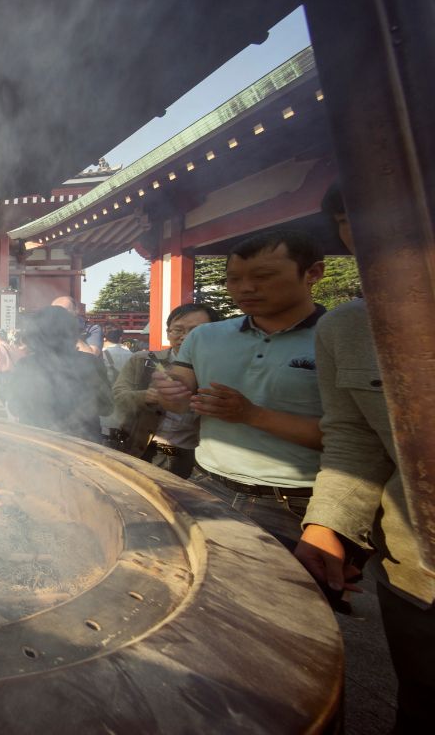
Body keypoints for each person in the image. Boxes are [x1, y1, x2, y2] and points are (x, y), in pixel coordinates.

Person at [293, 184, 434, 732]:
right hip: (416, 565)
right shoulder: (346, 327)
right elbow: (354, 436)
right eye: (354, 218)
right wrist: (331, 524)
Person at [152, 230, 326, 550]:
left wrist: (252, 415)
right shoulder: (205, 337)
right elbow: (178, 396)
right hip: (207, 484)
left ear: (313, 273)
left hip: (298, 502)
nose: (245, 288)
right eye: (233, 279)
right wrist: (169, 392)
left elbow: (358, 439)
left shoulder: (341, 338)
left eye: (264, 276)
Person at [111, 304, 220, 477]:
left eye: (195, 330)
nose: (185, 337)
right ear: (168, 332)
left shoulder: (222, 369)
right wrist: (147, 396)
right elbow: (116, 398)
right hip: (143, 451)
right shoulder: (143, 360)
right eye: (177, 330)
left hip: (197, 461)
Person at [6, 306, 113, 440]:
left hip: (37, 443)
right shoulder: (91, 363)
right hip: (84, 446)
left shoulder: (25, 365)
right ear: (73, 333)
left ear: (35, 334)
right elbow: (107, 408)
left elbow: (15, 407)